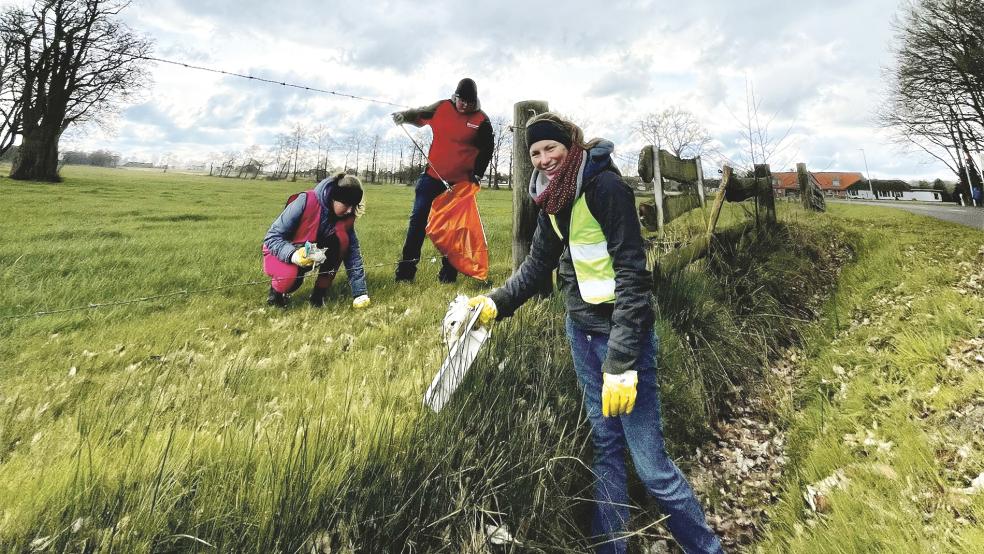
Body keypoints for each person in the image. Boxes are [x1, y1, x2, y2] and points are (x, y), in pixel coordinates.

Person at [467, 113, 723, 554]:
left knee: (651, 466)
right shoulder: (550, 199)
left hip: (624, 340)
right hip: (581, 334)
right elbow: (536, 266)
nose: (544, 159)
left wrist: (622, 361)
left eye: (551, 149)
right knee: (605, 448)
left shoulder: (604, 187)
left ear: (570, 144)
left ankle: (707, 549)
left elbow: (631, 274)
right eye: (534, 153)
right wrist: (495, 302)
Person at [391, 77, 494, 283]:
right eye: (461, 100)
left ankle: (448, 276)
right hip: (431, 178)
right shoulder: (442, 107)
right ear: (455, 96)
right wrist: (404, 116)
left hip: (459, 185)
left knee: (453, 230)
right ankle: (405, 273)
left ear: (475, 101)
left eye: (469, 102)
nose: (464, 105)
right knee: (418, 222)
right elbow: (419, 114)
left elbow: (487, 149)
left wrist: (478, 173)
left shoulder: (481, 120)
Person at [262, 173, 371, 309]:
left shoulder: (346, 218)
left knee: (339, 245)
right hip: (279, 250)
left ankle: (318, 297)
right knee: (290, 280)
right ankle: (276, 295)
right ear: (334, 198)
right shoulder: (306, 201)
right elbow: (272, 237)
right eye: (346, 204)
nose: (350, 210)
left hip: (310, 254)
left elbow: (352, 254)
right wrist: (294, 255)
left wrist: (360, 293)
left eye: (353, 206)